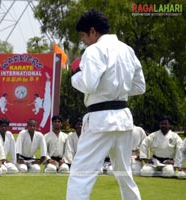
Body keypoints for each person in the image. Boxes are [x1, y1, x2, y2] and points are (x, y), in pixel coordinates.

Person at [67, 9, 145, 200]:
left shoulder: (94, 50)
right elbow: (139, 86)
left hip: (100, 119)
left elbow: (88, 84)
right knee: (124, 174)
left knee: (81, 175)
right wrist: (117, 88)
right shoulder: (128, 50)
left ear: (93, 31)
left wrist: (76, 72)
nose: (83, 41)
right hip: (124, 119)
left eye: (84, 36)